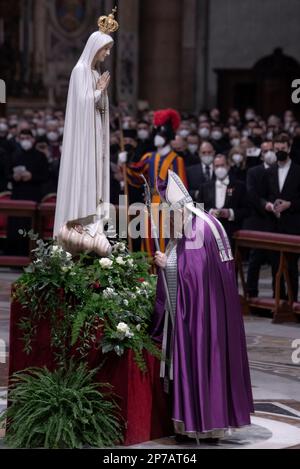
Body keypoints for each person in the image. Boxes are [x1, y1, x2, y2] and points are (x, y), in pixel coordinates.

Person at [152, 170, 253, 442]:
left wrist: (165, 264)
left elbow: (191, 275)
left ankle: (198, 426)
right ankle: (205, 424)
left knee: (199, 361)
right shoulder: (201, 221)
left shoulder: (197, 229)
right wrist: (172, 255)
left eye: (170, 215)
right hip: (212, 313)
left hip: (197, 316)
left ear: (179, 210)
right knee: (210, 363)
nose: (168, 222)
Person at [54, 8, 119, 257]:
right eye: (105, 48)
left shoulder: (93, 73)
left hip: (95, 140)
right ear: (94, 48)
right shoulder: (80, 71)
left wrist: (101, 94)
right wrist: (98, 91)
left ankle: (92, 226)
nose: (108, 53)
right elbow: (80, 108)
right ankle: (76, 226)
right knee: (84, 178)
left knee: (96, 184)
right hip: (83, 142)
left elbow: (99, 108)